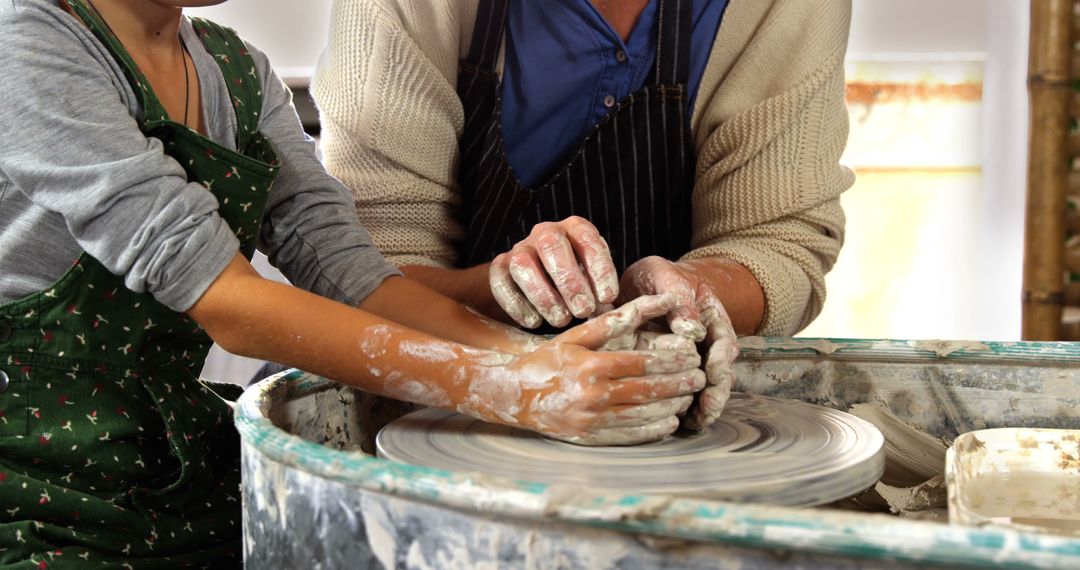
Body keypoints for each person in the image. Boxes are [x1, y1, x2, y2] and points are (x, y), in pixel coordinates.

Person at [0, 0, 704, 566]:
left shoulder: (237, 70)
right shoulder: (27, 44)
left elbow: (352, 276)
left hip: (171, 450)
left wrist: (541, 361)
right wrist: (509, 390)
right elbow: (227, 301)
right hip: (33, 471)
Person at [314, 0, 854, 428]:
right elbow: (360, 275)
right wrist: (505, 296)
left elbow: (779, 241)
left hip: (672, 414)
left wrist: (695, 290)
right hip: (436, 408)